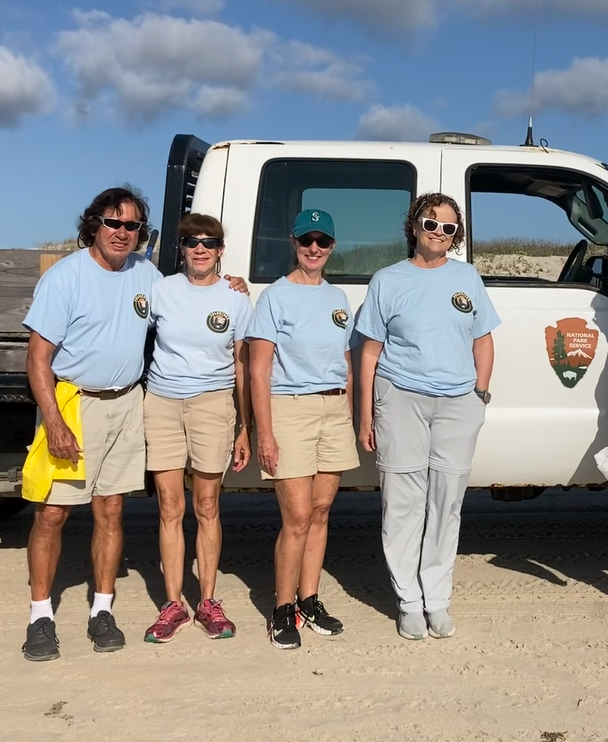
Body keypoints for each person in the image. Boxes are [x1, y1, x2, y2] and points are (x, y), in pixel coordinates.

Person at [20, 188, 164, 661]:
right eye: (114, 223)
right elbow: (38, 359)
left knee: (112, 511)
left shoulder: (146, 273)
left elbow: (188, 301)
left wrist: (231, 287)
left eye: (133, 226)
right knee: (53, 513)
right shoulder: (66, 277)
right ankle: (41, 616)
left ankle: (102, 610)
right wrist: (56, 423)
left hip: (126, 403)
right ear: (94, 225)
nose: (123, 233)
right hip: (74, 404)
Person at [356, 193, 499, 640]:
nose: (439, 232)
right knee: (402, 503)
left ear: (457, 237)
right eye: (431, 223)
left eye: (449, 227)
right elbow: (370, 353)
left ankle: (436, 599)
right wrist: (365, 414)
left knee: (446, 502)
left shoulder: (467, 277)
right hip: (401, 398)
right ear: (413, 226)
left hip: (459, 402)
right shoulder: (387, 280)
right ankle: (408, 602)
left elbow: (483, 340)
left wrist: (480, 393)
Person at [247, 209, 359, 650]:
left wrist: (349, 413)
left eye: (323, 241)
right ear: (293, 242)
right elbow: (259, 371)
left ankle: (309, 600)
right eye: (306, 239)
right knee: (295, 517)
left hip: (334, 410)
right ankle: (282, 609)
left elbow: (345, 363)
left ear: (332, 246)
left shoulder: (338, 299)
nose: (314, 248)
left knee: (321, 511)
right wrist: (265, 433)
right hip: (289, 410)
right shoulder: (275, 297)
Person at [142, 214, 254, 644]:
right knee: (170, 507)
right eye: (192, 242)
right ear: (182, 249)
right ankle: (173, 604)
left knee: (207, 506)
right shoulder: (160, 290)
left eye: (209, 242)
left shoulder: (236, 296)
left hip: (213, 404)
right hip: (163, 403)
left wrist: (245, 427)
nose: (200, 249)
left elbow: (243, 365)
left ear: (221, 249)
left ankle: (207, 601)